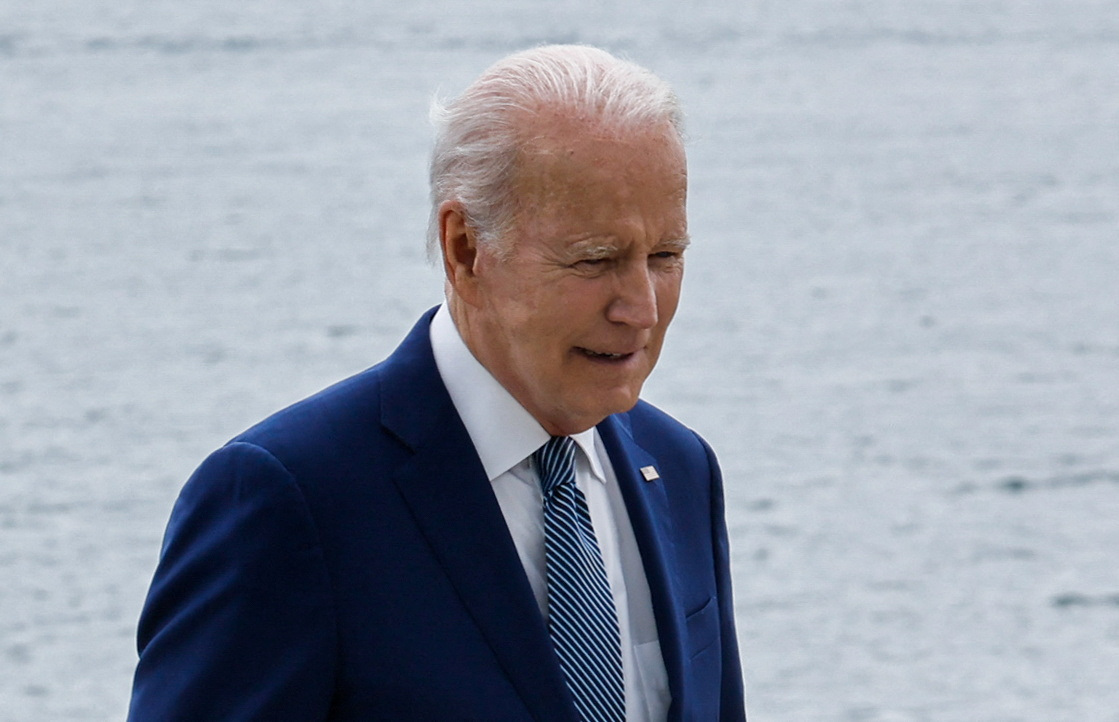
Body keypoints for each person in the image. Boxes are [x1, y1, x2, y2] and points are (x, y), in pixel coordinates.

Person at [127, 44, 746, 721]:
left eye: (664, 256)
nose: (641, 308)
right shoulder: (288, 499)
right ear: (465, 249)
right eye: (594, 260)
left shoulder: (681, 469)